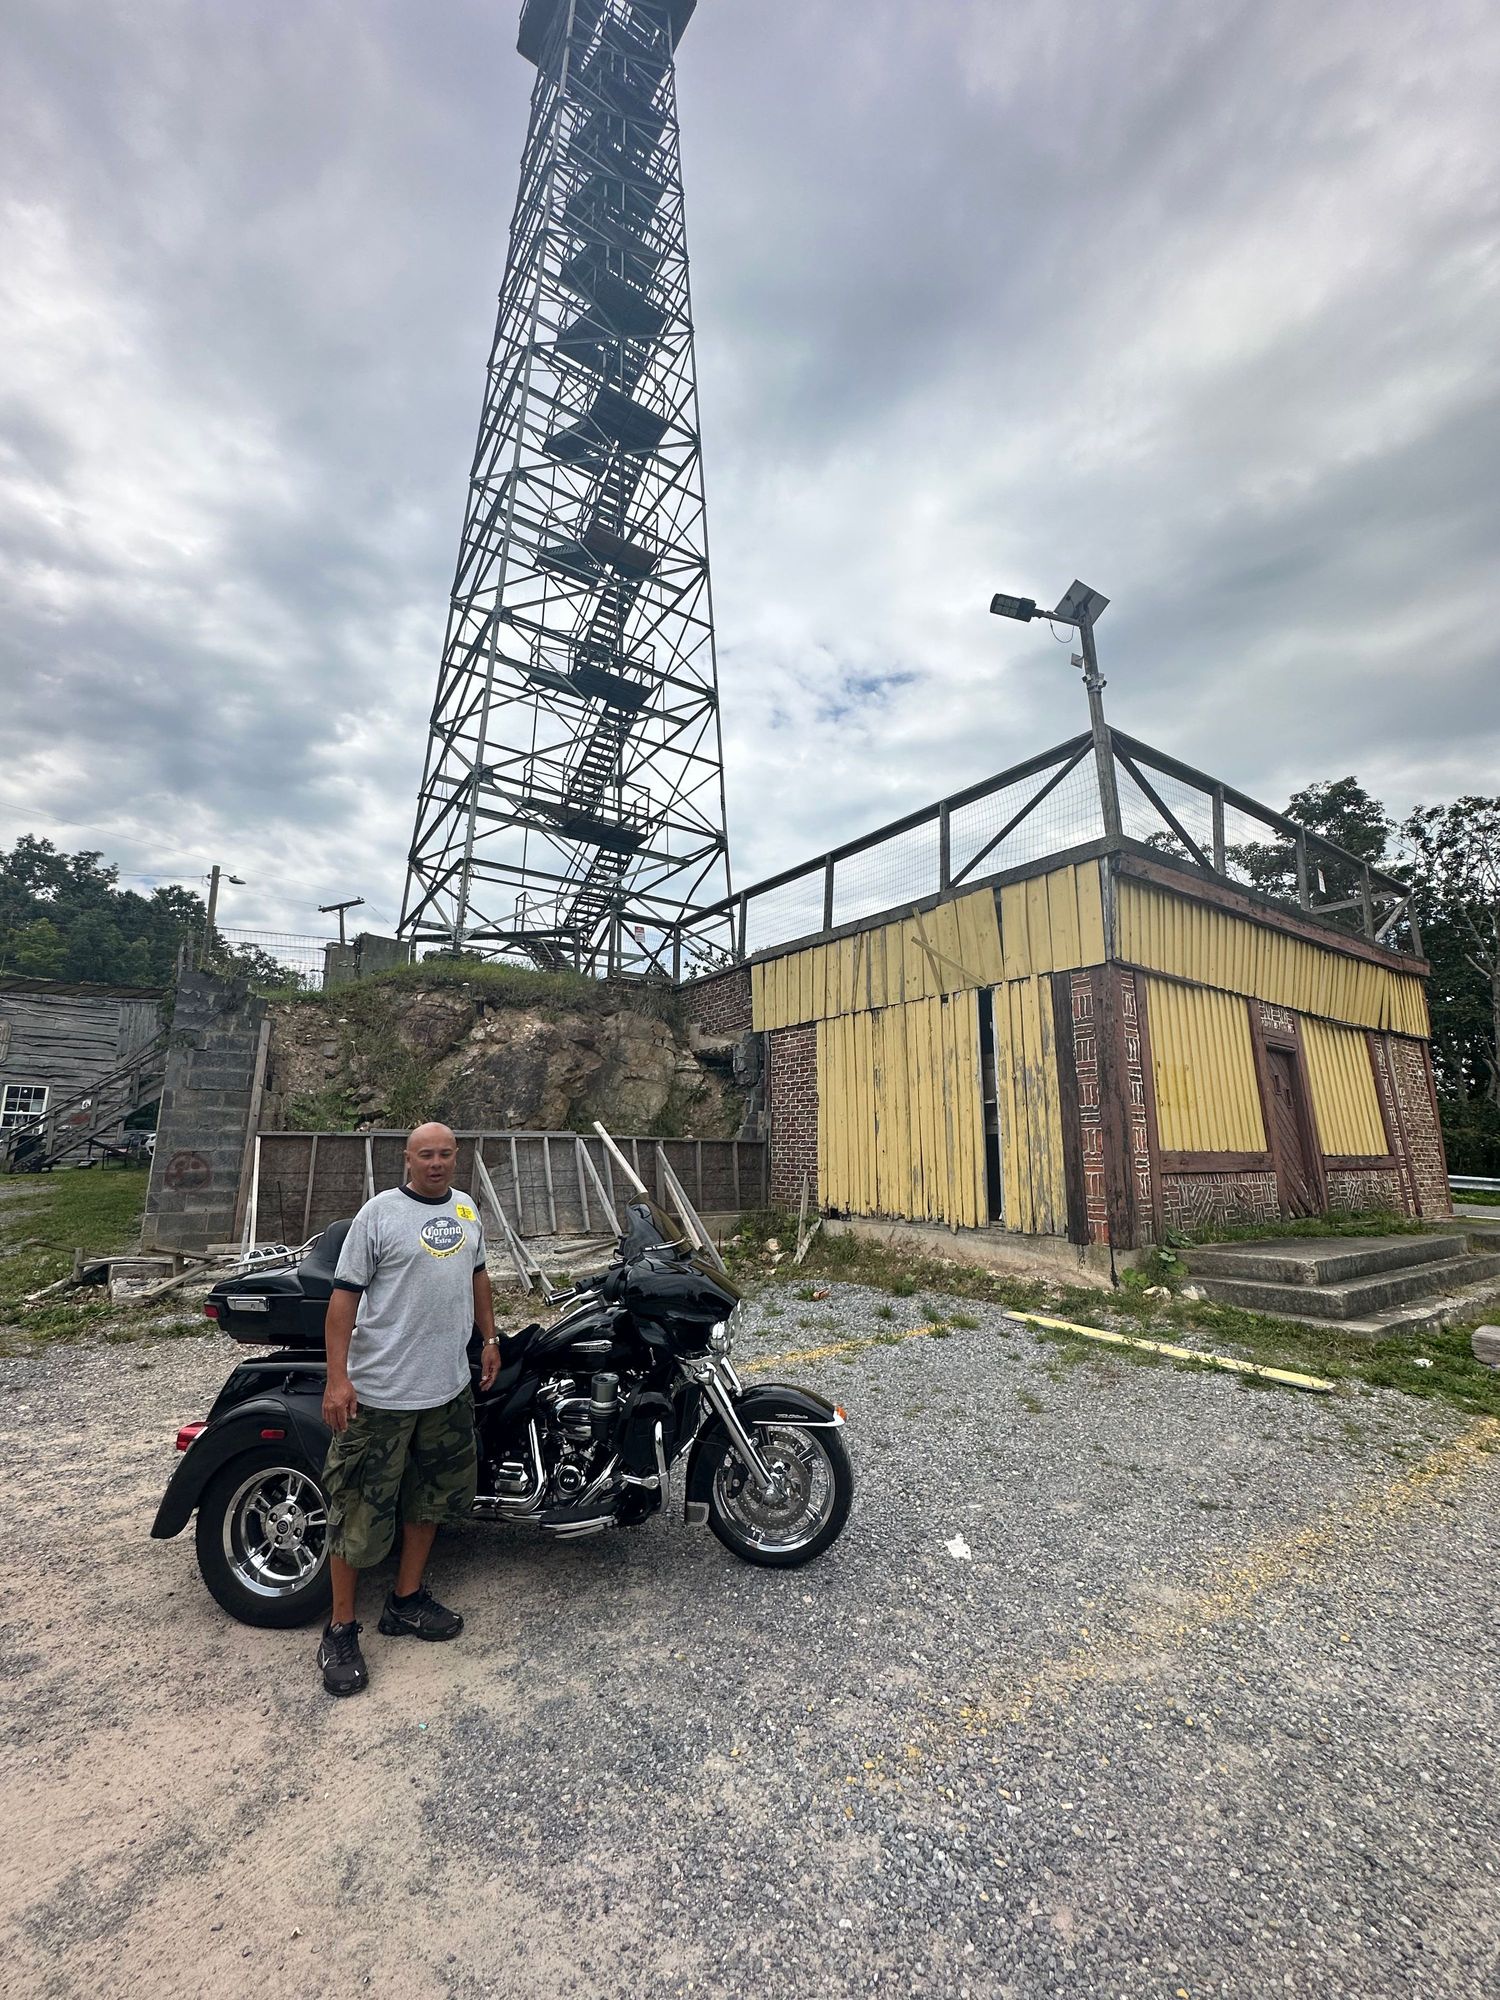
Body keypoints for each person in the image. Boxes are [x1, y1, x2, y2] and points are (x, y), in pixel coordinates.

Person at [316, 1121, 501, 1696]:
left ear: (456, 1157)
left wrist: (490, 1338)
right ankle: (340, 1629)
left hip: (446, 1390)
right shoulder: (378, 1215)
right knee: (356, 1513)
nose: (436, 1163)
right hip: (382, 1394)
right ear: (407, 1159)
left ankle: (406, 1600)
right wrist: (338, 1379)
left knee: (430, 1501)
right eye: (426, 1155)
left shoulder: (467, 1210)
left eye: (445, 1154)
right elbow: (343, 1301)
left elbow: (478, 1277)